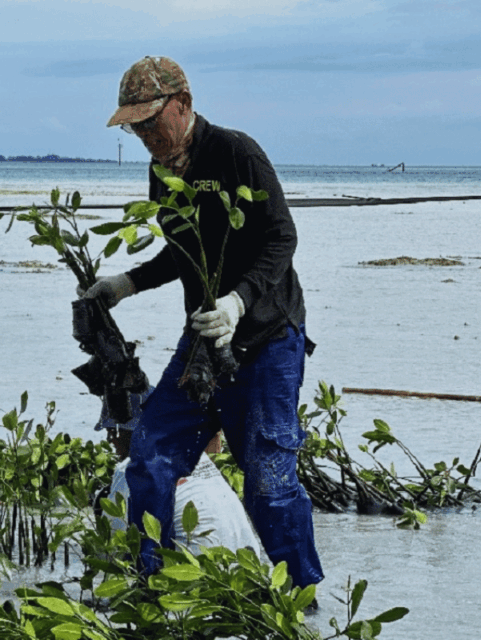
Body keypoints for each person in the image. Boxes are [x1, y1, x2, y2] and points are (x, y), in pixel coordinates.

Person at [84, 56, 323, 591]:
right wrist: (127, 283)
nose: (145, 135)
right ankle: (150, 584)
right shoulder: (161, 173)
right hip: (202, 342)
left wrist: (238, 302)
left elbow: (281, 237)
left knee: (270, 485)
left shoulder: (237, 152)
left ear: (183, 105)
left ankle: (300, 601)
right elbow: (181, 253)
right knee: (149, 457)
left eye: (152, 121)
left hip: (266, 338)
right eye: (135, 127)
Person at [97, 388, 266, 558]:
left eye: (113, 432)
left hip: (197, 571)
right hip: (247, 566)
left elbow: (110, 551)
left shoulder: (131, 469)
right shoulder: (198, 457)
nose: (110, 440)